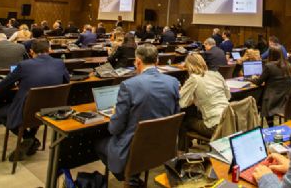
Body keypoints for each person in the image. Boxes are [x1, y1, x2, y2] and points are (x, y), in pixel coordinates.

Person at [95, 45, 180, 185]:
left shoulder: (128, 86)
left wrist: (116, 113)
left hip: (134, 150)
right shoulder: (173, 83)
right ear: (157, 61)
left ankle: (129, 177)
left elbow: (114, 129)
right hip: (162, 147)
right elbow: (175, 116)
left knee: (98, 143)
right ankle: (132, 176)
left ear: (138, 62)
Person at [0, 39, 70, 160]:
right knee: (36, 107)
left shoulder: (24, 65)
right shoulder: (59, 63)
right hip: (51, 109)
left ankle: (28, 137)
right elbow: (67, 81)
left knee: (1, 113)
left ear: (31, 51)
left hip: (28, 111)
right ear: (49, 50)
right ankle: (31, 138)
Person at [178, 53, 231, 150]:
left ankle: (182, 156)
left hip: (215, 126)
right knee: (197, 115)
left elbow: (181, 103)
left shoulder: (194, 79)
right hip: (230, 121)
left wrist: (195, 99)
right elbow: (228, 96)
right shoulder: (217, 74)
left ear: (189, 66)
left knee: (185, 121)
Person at [252, 45, 291, 127]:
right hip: (284, 99)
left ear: (270, 55)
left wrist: (252, 79)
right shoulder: (287, 65)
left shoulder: (269, 66)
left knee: (258, 98)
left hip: (271, 100)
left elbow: (259, 82)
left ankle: (270, 126)